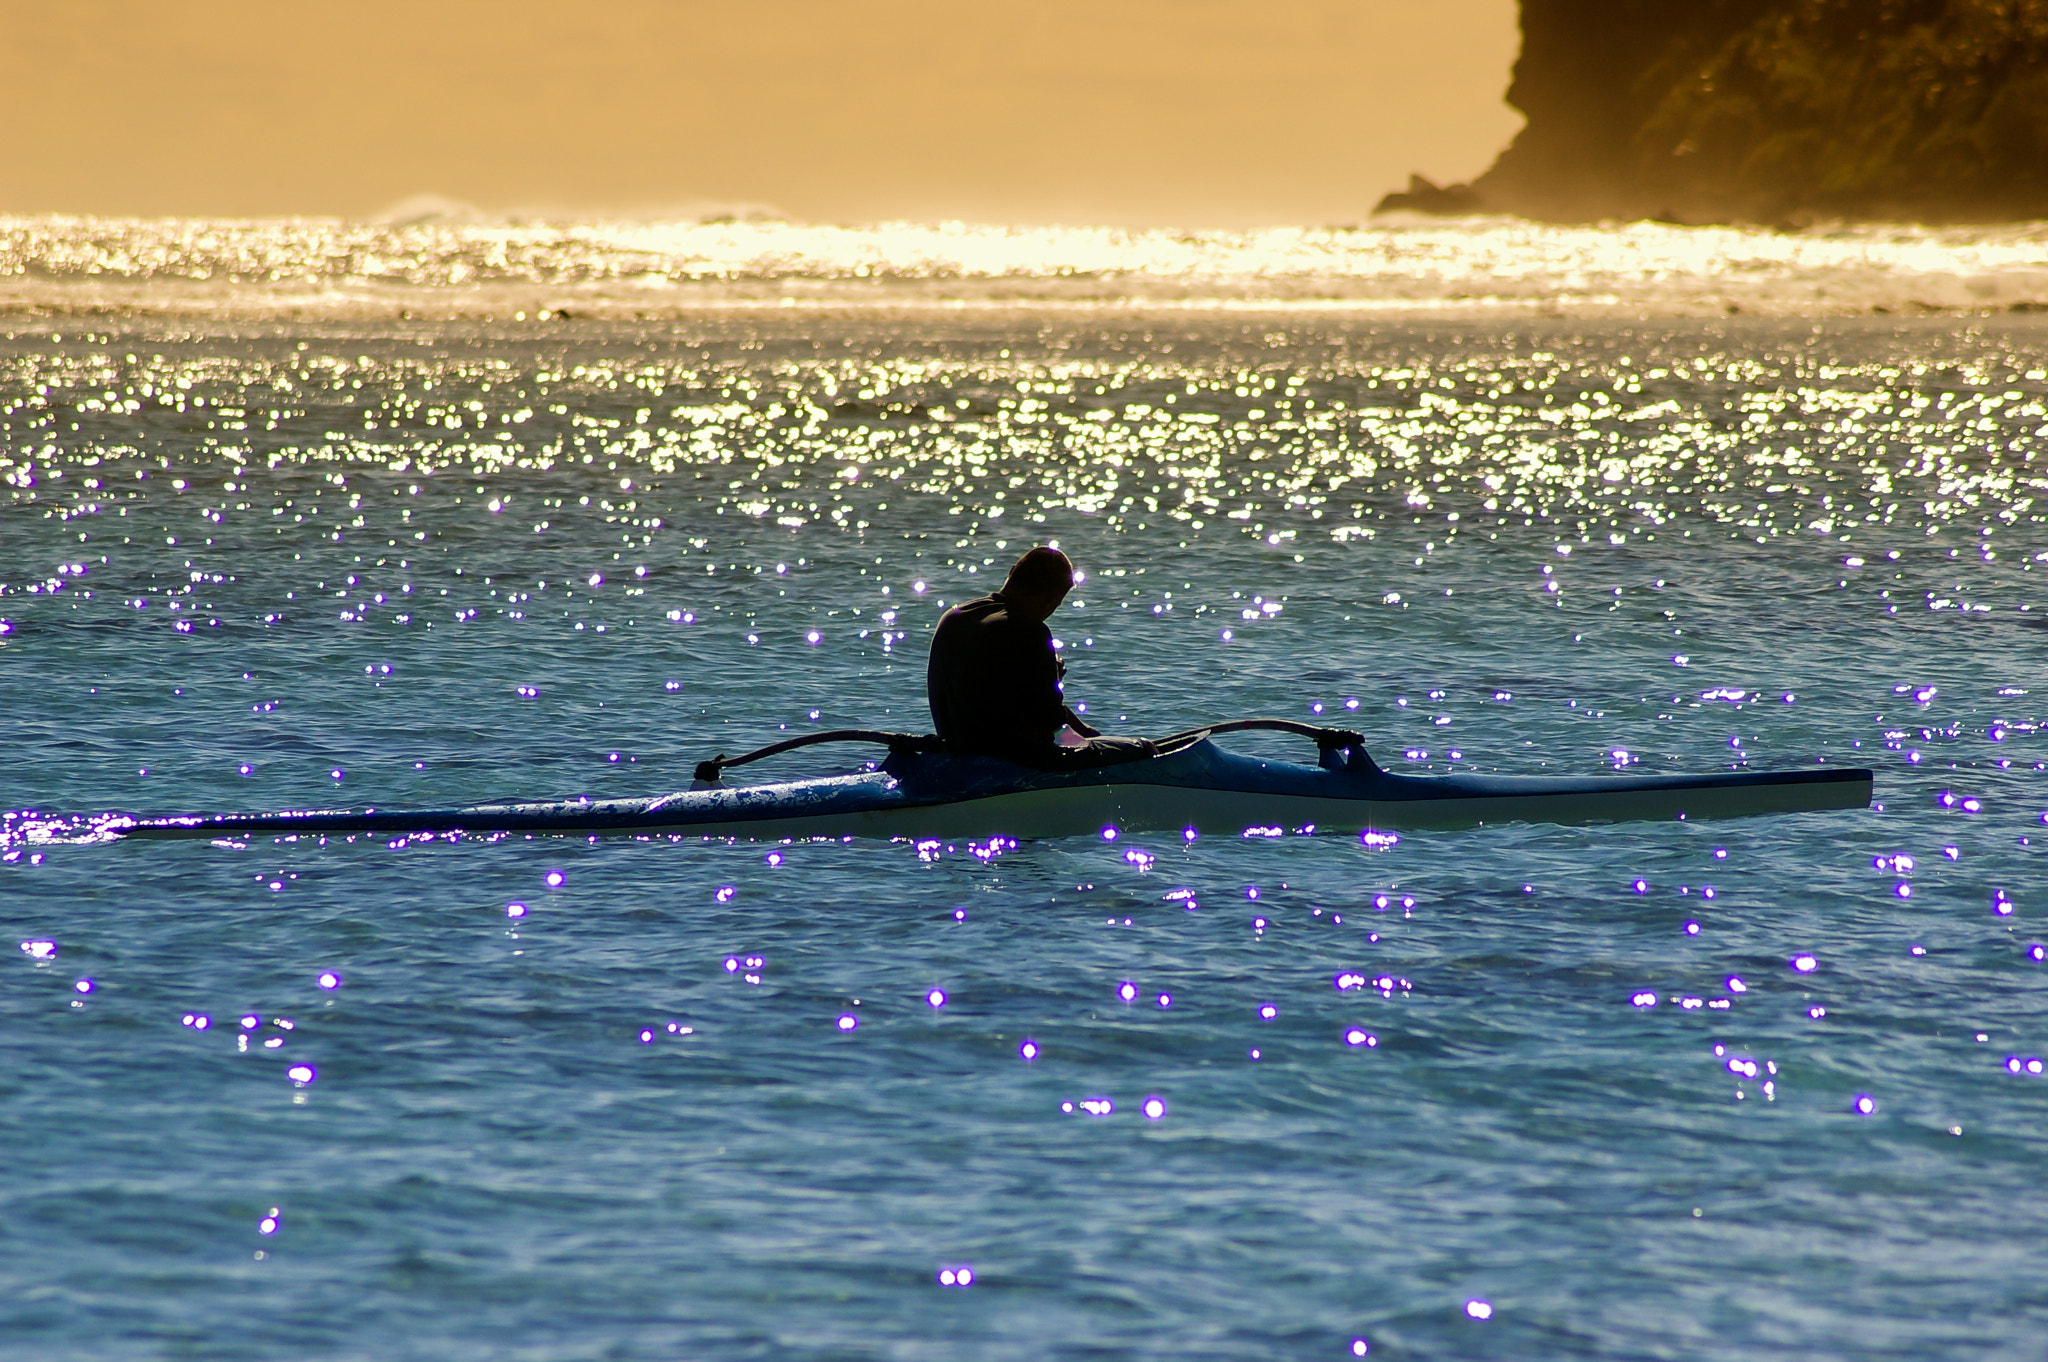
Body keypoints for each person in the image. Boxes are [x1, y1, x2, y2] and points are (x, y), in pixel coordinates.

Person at [926, 546, 1157, 769]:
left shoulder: (954, 617)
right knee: (1145, 750)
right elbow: (1050, 724)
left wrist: (1089, 735)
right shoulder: (1028, 630)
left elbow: (1009, 702)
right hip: (1017, 761)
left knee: (1095, 741)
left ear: (1012, 574)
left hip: (958, 752)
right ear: (1052, 599)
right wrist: (1084, 742)